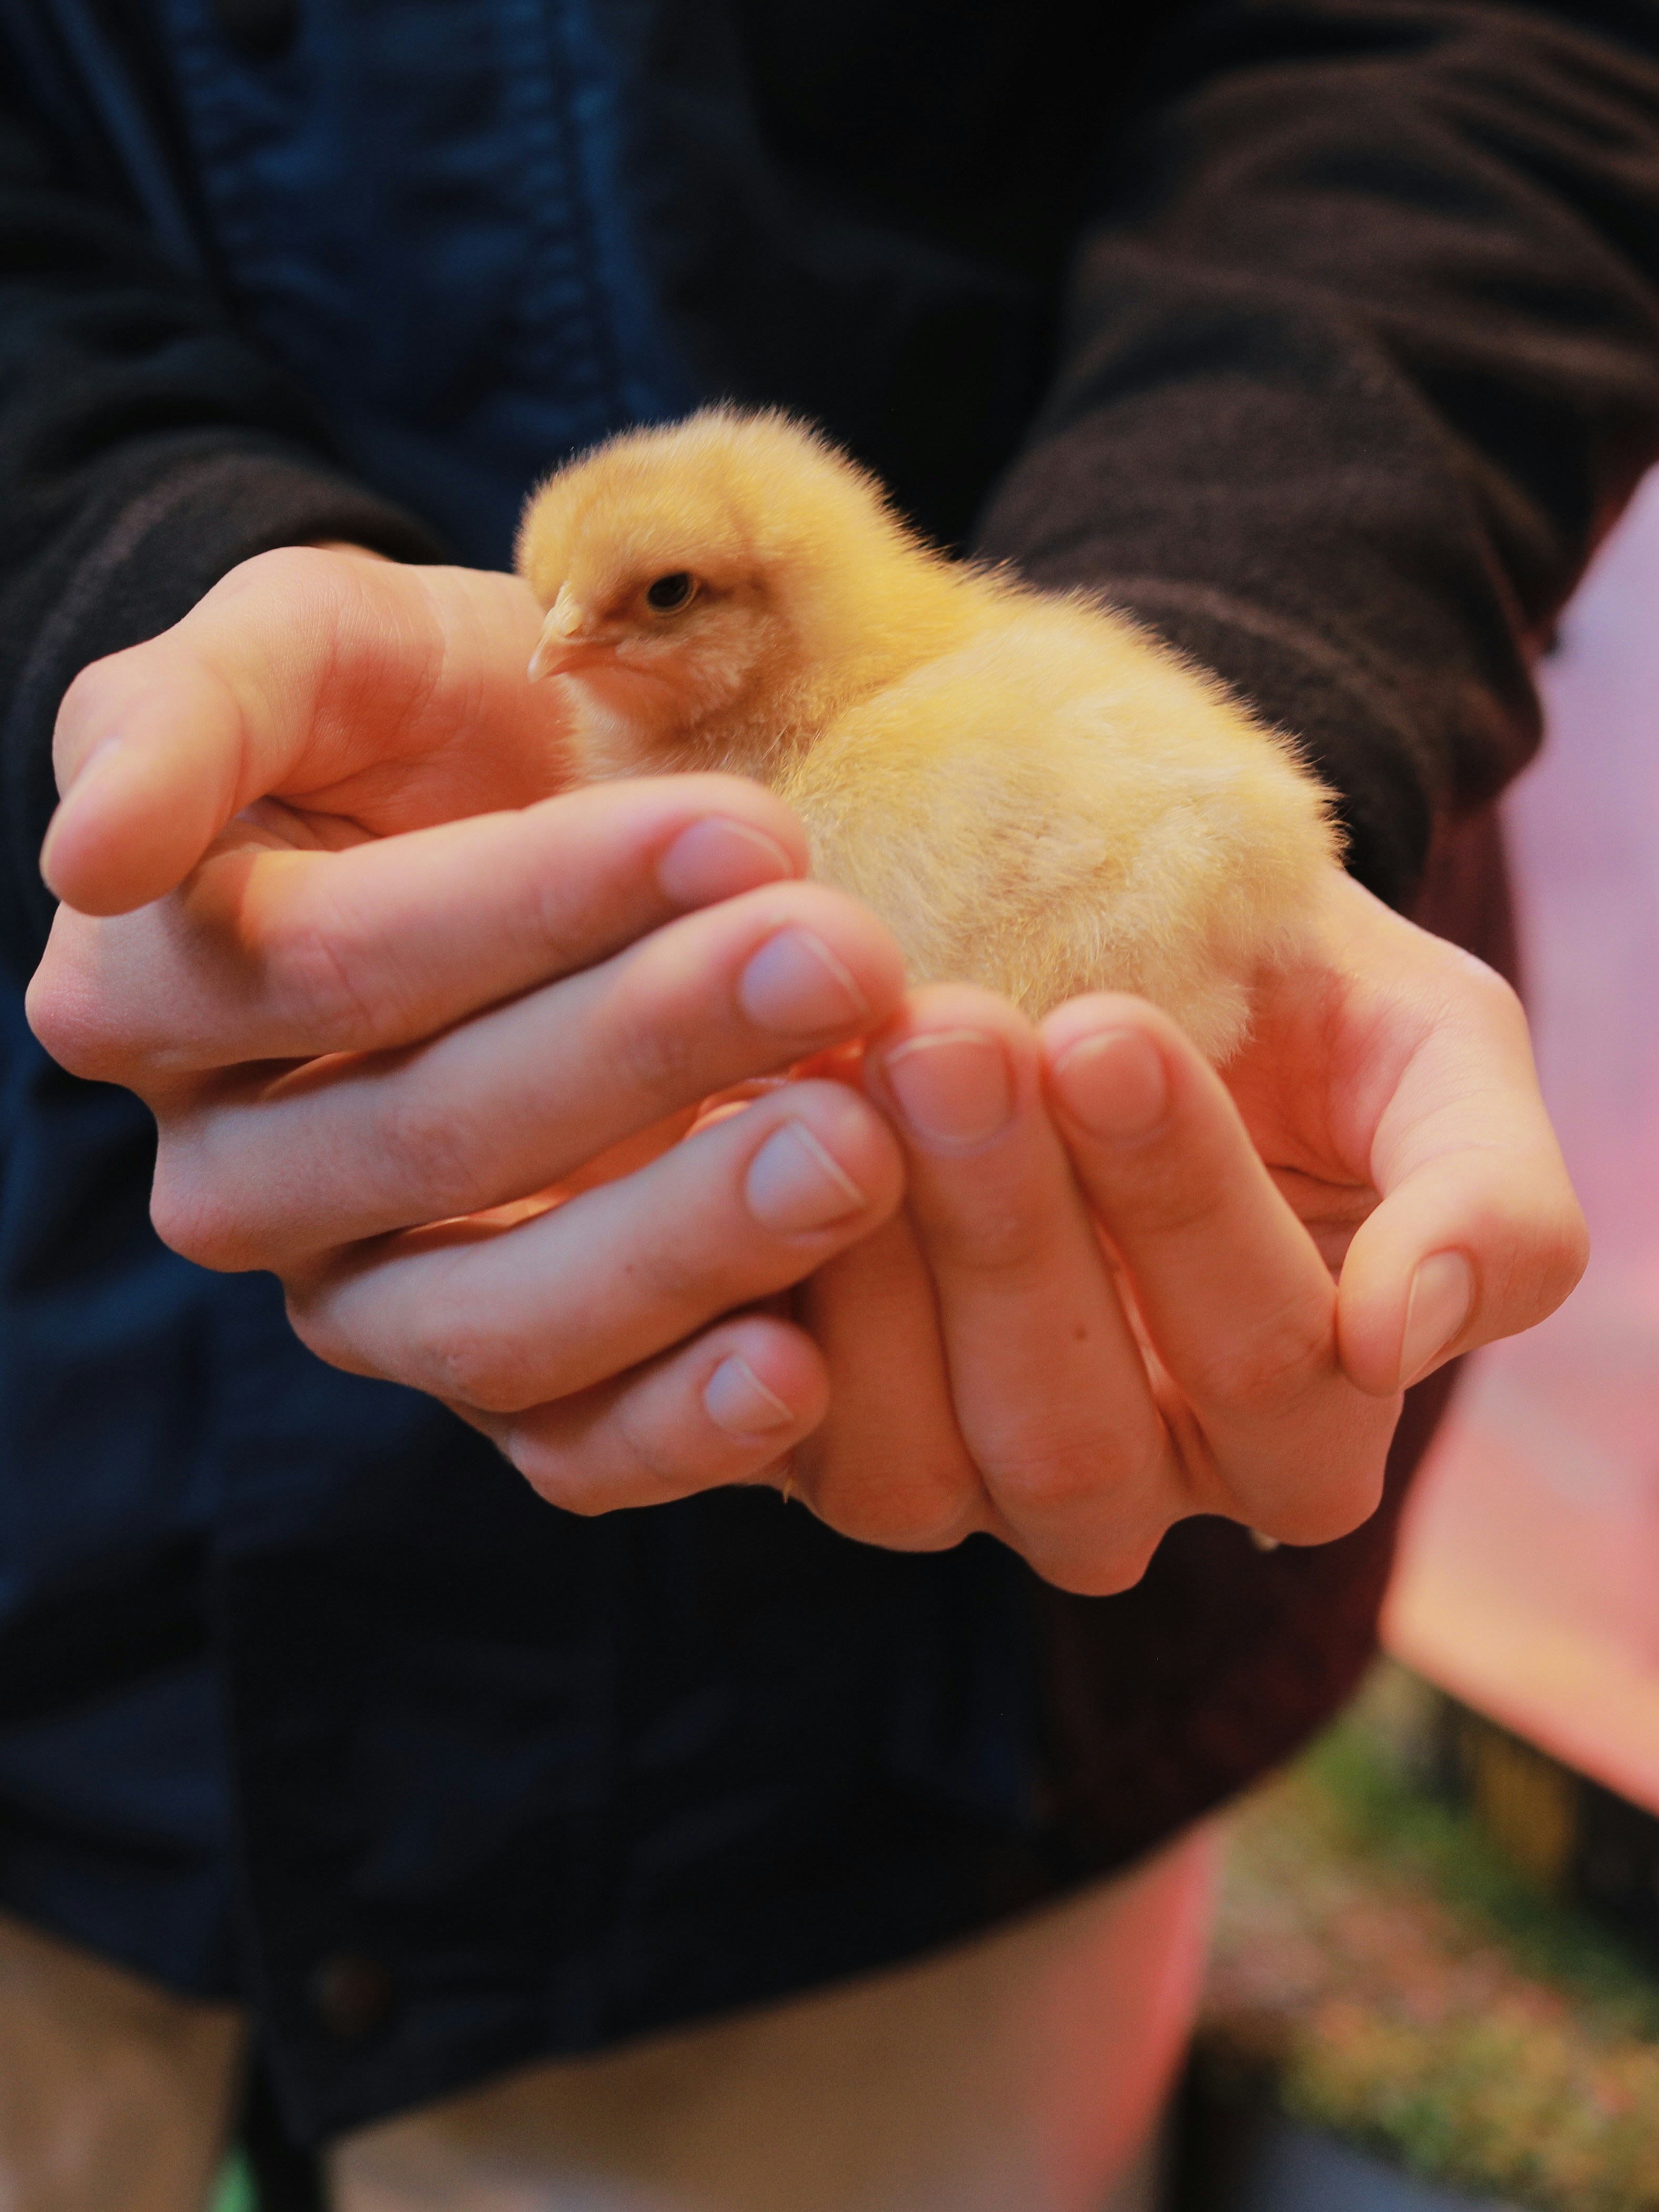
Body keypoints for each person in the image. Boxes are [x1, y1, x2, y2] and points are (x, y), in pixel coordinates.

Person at [0, 0, 1643, 2203]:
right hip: (48, 1500)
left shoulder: (902, 770)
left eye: (651, 603)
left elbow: (1470, 47)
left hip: (912, 1723)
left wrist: (1249, 602)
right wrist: (116, 567)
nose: (567, 646)